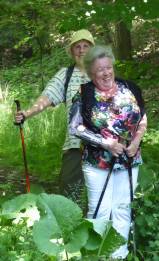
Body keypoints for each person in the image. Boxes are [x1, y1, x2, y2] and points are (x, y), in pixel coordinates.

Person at [69, 45, 147, 259]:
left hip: (129, 160)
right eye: (99, 70)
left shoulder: (129, 88)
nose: (106, 73)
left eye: (108, 68)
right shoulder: (84, 93)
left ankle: (119, 255)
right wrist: (106, 143)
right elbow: (75, 128)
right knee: (100, 211)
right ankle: (97, 255)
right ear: (91, 74)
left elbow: (142, 117)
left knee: (122, 209)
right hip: (98, 163)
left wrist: (135, 143)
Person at [15, 29, 95, 201]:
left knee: (98, 193)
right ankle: (69, 225)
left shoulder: (102, 71)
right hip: (74, 144)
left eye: (86, 46)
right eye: (77, 47)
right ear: (72, 51)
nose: (81, 50)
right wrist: (27, 114)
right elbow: (47, 96)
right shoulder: (65, 75)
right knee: (68, 189)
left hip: (102, 144)